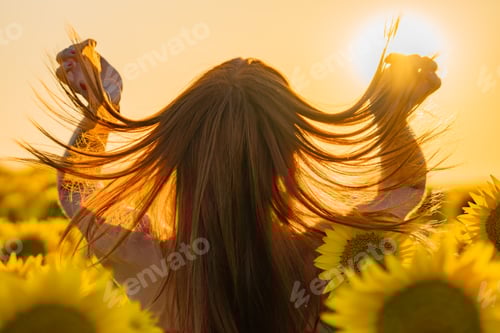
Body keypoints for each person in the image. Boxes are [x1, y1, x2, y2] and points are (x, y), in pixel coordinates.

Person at [25, 36, 441, 333]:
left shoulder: (151, 261)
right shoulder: (326, 251)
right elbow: (404, 190)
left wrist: (102, 106)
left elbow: (77, 197)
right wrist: (390, 118)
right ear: (291, 160)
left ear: (173, 160)